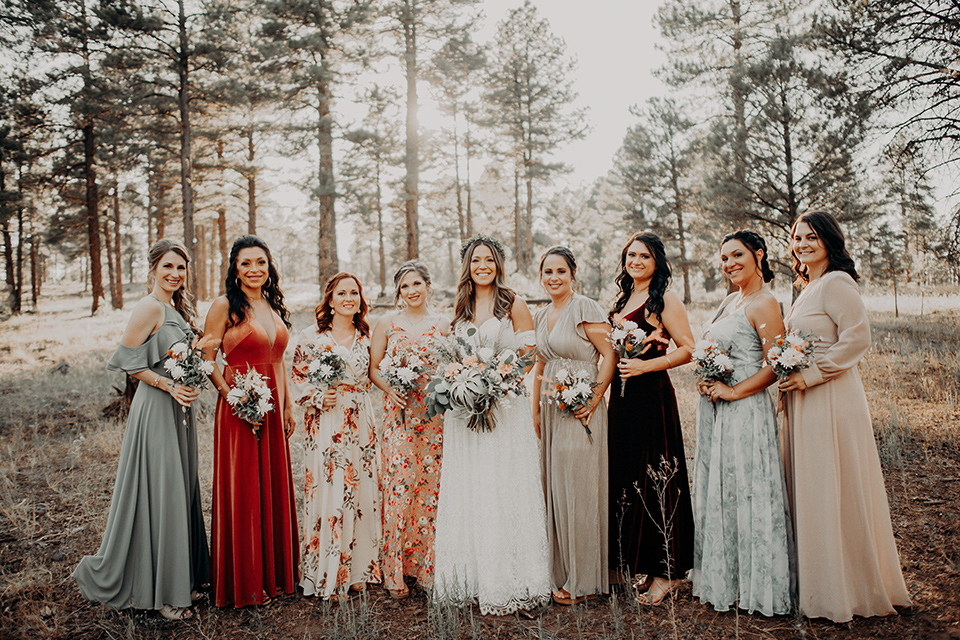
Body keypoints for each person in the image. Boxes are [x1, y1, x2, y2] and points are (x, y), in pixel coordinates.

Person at [779, 211, 911, 622]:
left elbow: (858, 338)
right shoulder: (808, 287)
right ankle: (821, 582)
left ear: (829, 242)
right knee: (815, 485)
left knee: (832, 483)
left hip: (831, 394)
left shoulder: (837, 282)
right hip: (804, 394)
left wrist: (812, 375)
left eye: (811, 237)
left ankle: (847, 588)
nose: (802, 244)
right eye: (798, 238)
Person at [73, 239, 209, 621]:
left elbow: (183, 356)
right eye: (168, 266)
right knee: (163, 493)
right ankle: (165, 595)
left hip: (179, 410)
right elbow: (129, 363)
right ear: (153, 268)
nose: (175, 274)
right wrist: (169, 385)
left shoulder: (175, 308)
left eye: (181, 268)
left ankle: (183, 578)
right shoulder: (148, 307)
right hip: (156, 409)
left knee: (180, 489)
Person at [432, 235, 552, 616]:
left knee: (503, 485)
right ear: (467, 265)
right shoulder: (461, 303)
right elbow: (453, 354)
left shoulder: (512, 302)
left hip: (503, 408)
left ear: (499, 264)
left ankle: (512, 579)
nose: (482, 266)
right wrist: (460, 385)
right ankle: (470, 576)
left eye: (489, 260)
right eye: (475, 260)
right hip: (464, 413)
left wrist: (498, 382)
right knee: (471, 487)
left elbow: (530, 354)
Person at [691, 230, 792, 616]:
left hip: (745, 410)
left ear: (759, 255)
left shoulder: (765, 302)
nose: (730, 263)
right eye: (725, 258)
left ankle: (759, 583)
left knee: (748, 491)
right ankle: (729, 577)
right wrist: (707, 376)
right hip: (717, 410)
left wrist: (732, 392)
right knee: (726, 490)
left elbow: (775, 364)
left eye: (737, 255)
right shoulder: (733, 299)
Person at [201, 235, 298, 608]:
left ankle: (274, 576)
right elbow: (208, 360)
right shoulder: (224, 306)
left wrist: (287, 406)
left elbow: (278, 361)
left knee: (271, 485)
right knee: (243, 490)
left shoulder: (272, 304)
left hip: (273, 407)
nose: (254, 269)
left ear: (269, 266)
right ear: (235, 269)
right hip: (240, 406)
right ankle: (245, 580)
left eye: (260, 262)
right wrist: (234, 399)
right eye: (246, 263)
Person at [607, 231, 695, 605]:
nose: (636, 261)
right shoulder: (623, 299)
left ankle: (666, 573)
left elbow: (689, 349)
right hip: (622, 400)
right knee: (627, 476)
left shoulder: (665, 300)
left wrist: (646, 366)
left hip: (652, 397)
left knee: (658, 475)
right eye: (631, 255)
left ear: (656, 261)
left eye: (644, 256)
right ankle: (634, 564)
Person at [532, 246, 615, 606]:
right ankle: (562, 570)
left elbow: (610, 354)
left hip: (581, 404)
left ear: (572, 274)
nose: (554, 278)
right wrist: (535, 408)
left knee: (578, 486)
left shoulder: (585, 307)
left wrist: (595, 400)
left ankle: (585, 578)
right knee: (556, 487)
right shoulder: (541, 314)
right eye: (548, 272)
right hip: (551, 407)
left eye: (561, 272)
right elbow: (538, 364)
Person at [292, 273, 381, 601]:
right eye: (341, 293)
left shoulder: (366, 335)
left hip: (361, 421)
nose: (348, 298)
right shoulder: (311, 337)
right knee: (332, 492)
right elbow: (296, 381)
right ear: (329, 300)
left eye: (354, 293)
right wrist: (317, 396)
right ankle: (330, 574)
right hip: (327, 422)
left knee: (360, 494)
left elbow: (375, 375)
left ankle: (357, 571)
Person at [369, 261, 449, 600]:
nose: (411, 291)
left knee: (431, 489)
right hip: (398, 415)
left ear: (428, 286)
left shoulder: (444, 324)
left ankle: (426, 567)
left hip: (434, 419)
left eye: (417, 284)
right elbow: (374, 368)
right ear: (398, 292)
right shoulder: (386, 323)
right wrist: (389, 388)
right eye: (404, 286)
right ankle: (394, 571)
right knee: (400, 486)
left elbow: (453, 366)